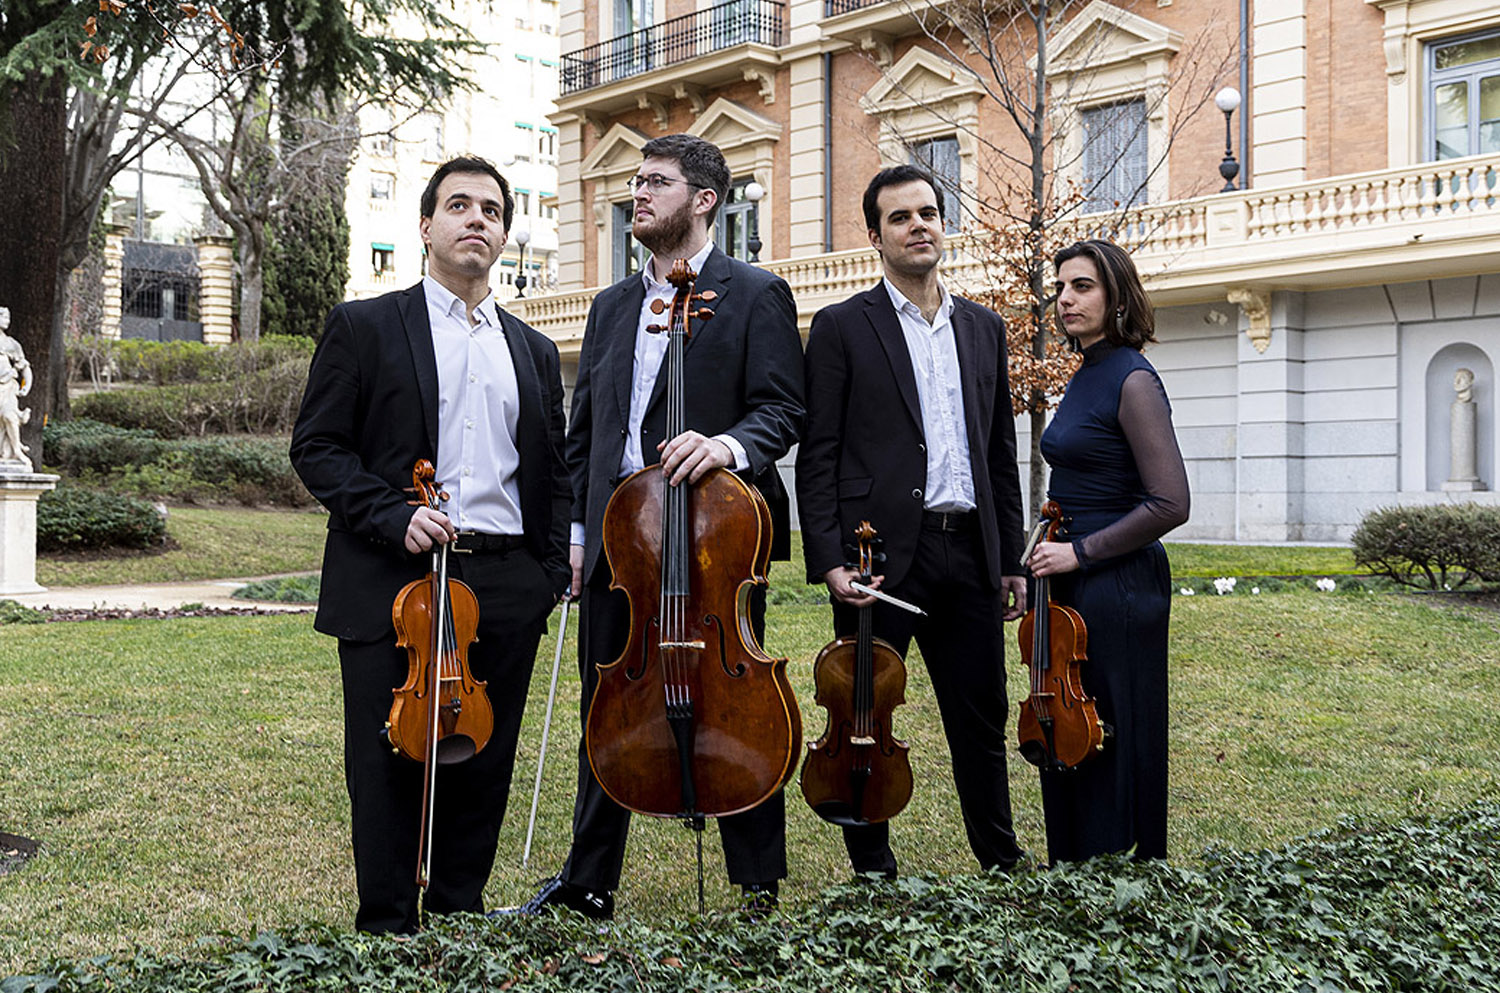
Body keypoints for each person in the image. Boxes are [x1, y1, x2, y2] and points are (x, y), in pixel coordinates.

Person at [518, 133, 804, 919]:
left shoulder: (753, 293)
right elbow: (589, 432)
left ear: (704, 199)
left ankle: (755, 886)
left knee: (735, 695)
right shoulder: (612, 304)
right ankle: (586, 882)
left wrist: (725, 444)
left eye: (657, 183)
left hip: (714, 540)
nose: (638, 195)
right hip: (620, 539)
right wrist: (577, 534)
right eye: (636, 183)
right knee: (605, 697)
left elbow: (783, 407)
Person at [290, 155, 570, 933]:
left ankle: (457, 911)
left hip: (508, 580)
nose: (476, 219)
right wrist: (390, 513)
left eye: (491, 209)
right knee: (384, 764)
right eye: (459, 205)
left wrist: (546, 574)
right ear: (426, 226)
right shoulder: (364, 325)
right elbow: (316, 448)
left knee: (481, 758)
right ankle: (386, 924)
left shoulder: (535, 350)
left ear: (507, 234)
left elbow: (552, 468)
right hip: (393, 577)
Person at [795, 164, 1028, 878]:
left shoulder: (985, 328)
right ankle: (872, 865)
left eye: (928, 212)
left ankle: (1000, 856)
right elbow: (819, 454)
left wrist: (1011, 557)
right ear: (876, 235)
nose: (918, 225)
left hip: (969, 553)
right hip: (877, 559)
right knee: (863, 719)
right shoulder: (840, 327)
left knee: (982, 717)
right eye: (900, 217)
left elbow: (998, 454)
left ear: (943, 223)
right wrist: (830, 559)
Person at [1025, 239, 1189, 863]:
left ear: (1116, 295)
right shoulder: (1086, 372)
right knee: (1070, 722)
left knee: (1114, 727)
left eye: (1083, 286)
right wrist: (1039, 560)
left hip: (1118, 583)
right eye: (1060, 288)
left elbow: (1170, 503)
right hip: (1074, 579)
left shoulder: (1132, 378)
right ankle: (1075, 862)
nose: (1065, 299)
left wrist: (1079, 554)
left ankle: (1123, 866)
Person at [0, 307, 33, 467]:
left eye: (8, 317)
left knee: (9, 416)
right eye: (3, 317)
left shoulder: (11, 344)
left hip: (8, 387)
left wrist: (26, 386)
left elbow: (25, 366)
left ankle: (17, 451)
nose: (7, 320)